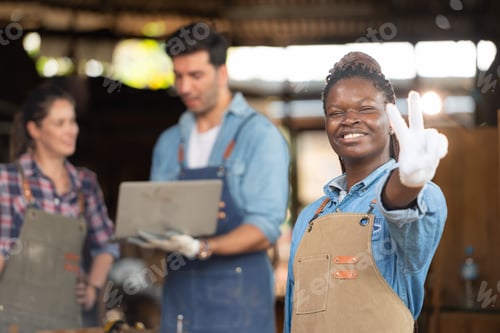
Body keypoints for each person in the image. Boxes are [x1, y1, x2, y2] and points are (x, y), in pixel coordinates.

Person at [130, 22, 290, 333]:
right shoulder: (168, 142)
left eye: (196, 75)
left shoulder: (260, 136)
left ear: (222, 73)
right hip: (179, 297)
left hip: (240, 298)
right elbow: (154, 218)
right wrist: (144, 229)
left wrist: (202, 247)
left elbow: (265, 228)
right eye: (178, 76)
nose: (185, 87)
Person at [283, 52, 448, 333]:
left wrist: (408, 180)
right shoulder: (310, 218)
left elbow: (397, 203)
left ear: (392, 120)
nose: (349, 120)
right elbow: (292, 314)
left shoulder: (425, 196)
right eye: (336, 112)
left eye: (366, 109)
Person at [0, 81, 120, 331]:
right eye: (60, 123)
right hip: (13, 319)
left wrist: (92, 288)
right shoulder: (7, 180)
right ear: (34, 129)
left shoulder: (85, 184)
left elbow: (107, 243)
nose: (71, 130)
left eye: (72, 121)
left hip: (68, 319)